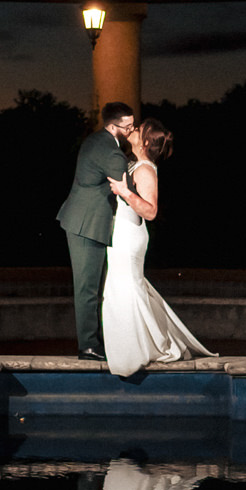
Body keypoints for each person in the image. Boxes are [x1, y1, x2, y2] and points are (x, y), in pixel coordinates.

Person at [101, 119, 215, 377]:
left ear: (146, 142)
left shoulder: (145, 170)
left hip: (130, 236)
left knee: (127, 288)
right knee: (124, 288)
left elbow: (150, 211)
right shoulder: (138, 165)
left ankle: (143, 349)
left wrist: (123, 192)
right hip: (123, 234)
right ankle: (134, 347)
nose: (135, 129)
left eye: (139, 129)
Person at [56, 101, 137, 361]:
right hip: (86, 225)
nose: (132, 130)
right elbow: (129, 192)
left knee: (92, 287)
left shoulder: (96, 139)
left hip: (82, 219)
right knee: (87, 288)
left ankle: (95, 341)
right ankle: (88, 346)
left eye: (133, 124)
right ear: (113, 126)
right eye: (128, 126)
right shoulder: (112, 154)